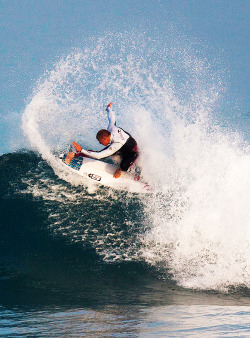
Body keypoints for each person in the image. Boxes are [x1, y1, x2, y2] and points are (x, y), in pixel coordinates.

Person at [73, 102, 138, 178]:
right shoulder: (111, 128)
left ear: (104, 138)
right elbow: (111, 118)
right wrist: (109, 108)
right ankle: (76, 154)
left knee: (124, 166)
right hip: (124, 145)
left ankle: (129, 173)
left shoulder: (117, 144)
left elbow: (99, 156)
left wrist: (81, 149)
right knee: (102, 152)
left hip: (131, 152)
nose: (100, 143)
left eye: (100, 141)